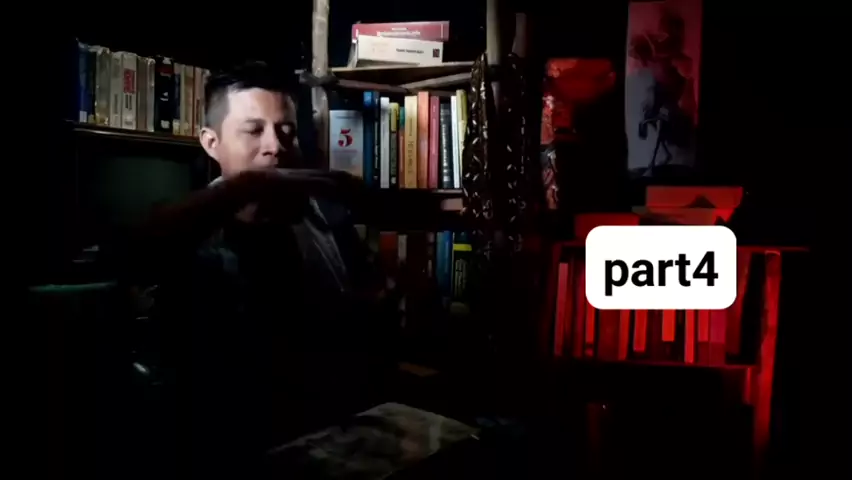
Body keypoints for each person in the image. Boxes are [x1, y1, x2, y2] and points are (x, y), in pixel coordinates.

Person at [120, 62, 399, 478]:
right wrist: (250, 187)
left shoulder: (325, 223)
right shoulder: (185, 230)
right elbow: (134, 251)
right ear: (211, 142)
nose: (275, 147)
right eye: (253, 131)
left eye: (286, 132)